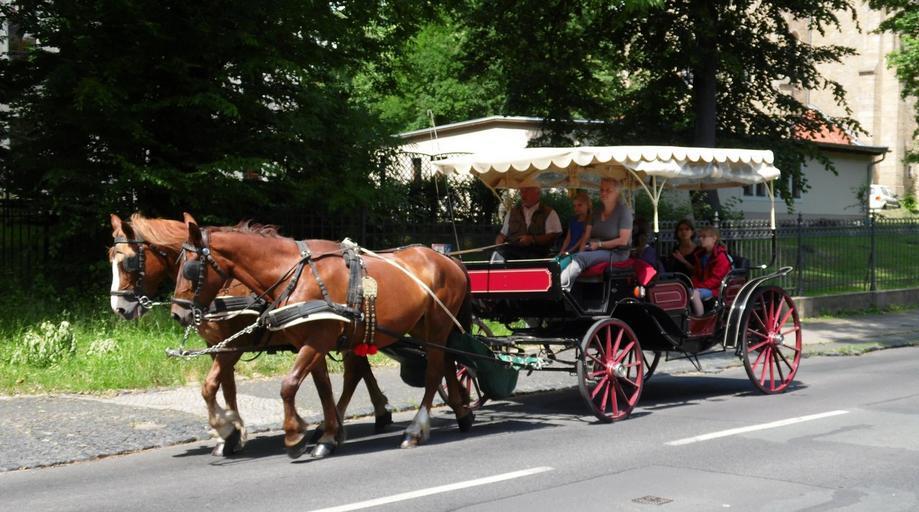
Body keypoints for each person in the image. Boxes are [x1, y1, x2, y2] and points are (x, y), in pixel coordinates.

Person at [560, 177, 633, 290]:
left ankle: (560, 288)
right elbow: (586, 236)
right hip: (594, 249)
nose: (604, 193)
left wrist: (599, 245)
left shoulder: (624, 212)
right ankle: (550, 285)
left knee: (580, 258)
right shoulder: (596, 212)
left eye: (608, 190)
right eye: (602, 190)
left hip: (616, 253)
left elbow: (623, 241)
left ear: (617, 193)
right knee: (564, 258)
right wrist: (581, 252)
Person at [495, 186, 562, 260]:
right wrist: (499, 243)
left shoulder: (549, 213)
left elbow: (553, 236)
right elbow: (502, 235)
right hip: (512, 255)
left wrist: (532, 239)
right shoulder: (512, 213)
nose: (523, 195)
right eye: (521, 192)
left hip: (538, 256)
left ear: (537, 193)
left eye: (526, 191)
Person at [689, 226, 732, 316]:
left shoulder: (720, 256)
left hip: (716, 289)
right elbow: (696, 275)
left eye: (704, 237)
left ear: (714, 238)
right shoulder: (700, 255)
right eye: (700, 237)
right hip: (702, 287)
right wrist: (693, 285)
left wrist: (698, 287)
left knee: (694, 295)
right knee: (684, 292)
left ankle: (700, 318)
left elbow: (716, 279)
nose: (701, 239)